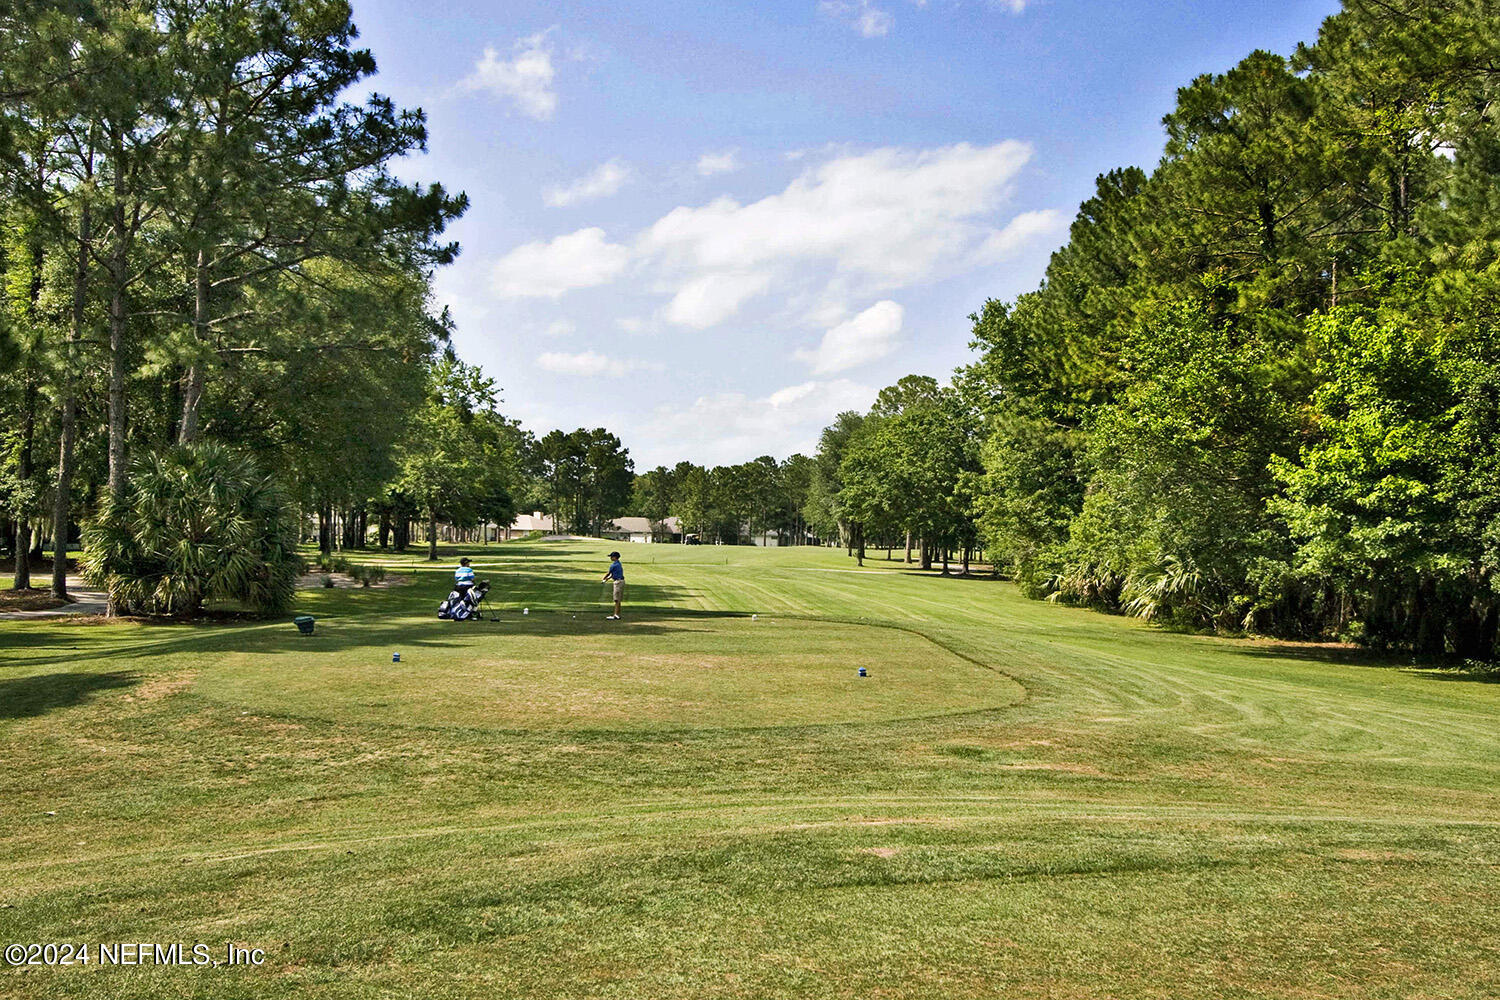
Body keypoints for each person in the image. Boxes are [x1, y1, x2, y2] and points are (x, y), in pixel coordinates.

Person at [602, 551, 624, 620]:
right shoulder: (619, 564)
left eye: (611, 556)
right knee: (618, 599)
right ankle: (617, 614)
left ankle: (616, 615)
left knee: (616, 599)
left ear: (615, 557)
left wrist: (604, 579)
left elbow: (608, 573)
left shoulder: (613, 565)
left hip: (618, 582)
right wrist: (607, 579)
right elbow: (613, 575)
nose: (610, 558)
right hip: (621, 581)